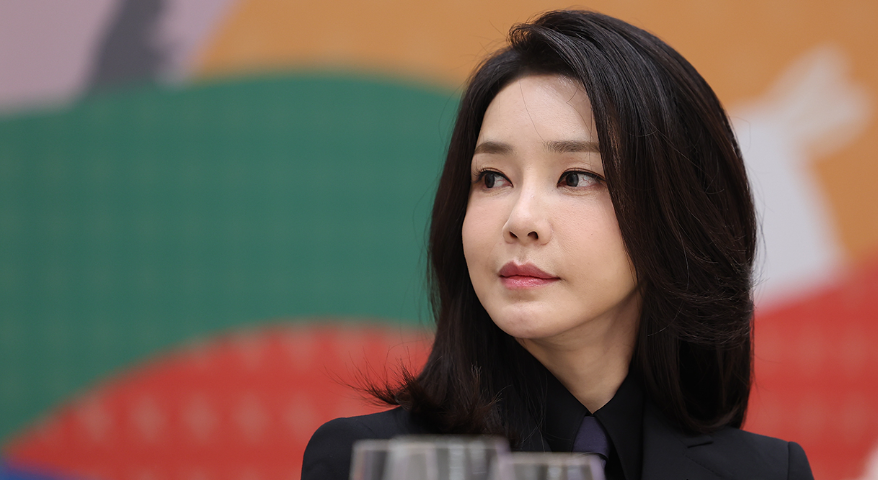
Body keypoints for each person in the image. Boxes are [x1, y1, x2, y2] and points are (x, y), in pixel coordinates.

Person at [302, 10, 814, 480]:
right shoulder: (366, 462)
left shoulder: (769, 472)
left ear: (676, 213)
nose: (520, 219)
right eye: (492, 178)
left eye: (575, 177)